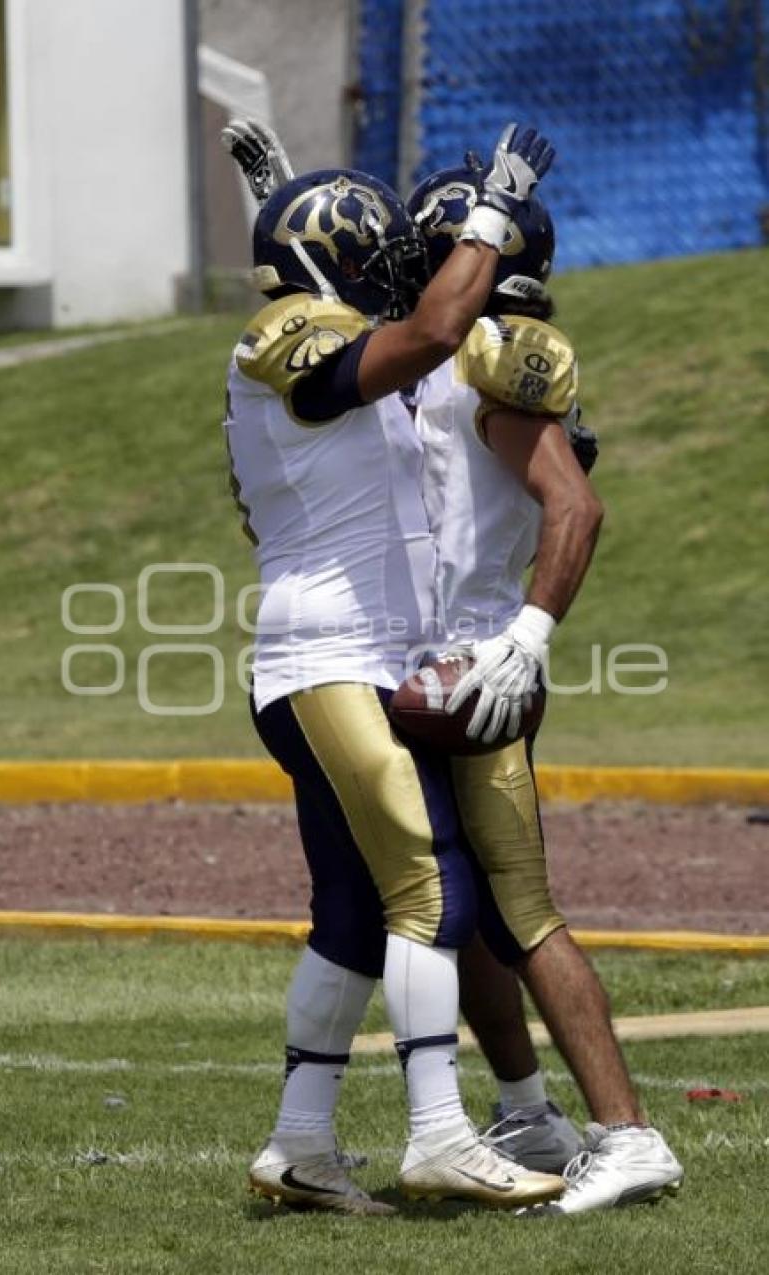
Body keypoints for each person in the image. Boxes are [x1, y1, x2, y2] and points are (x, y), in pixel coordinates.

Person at [224, 125, 567, 1215]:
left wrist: (286, 201)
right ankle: (437, 1133)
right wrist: (489, 213)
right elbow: (426, 328)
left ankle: (297, 1149)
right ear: (337, 270)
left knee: (354, 914)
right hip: (326, 656)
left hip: (346, 654)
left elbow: (395, 343)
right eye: (370, 256)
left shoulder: (319, 331)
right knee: (432, 890)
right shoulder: (288, 335)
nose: (392, 272)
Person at [405, 168, 685, 1213]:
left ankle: (629, 1131)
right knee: (467, 913)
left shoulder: (493, 360)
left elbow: (575, 508)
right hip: (440, 659)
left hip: (480, 669)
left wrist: (526, 633)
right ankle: (526, 1107)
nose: (415, 264)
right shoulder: (442, 357)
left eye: (436, 247)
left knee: (521, 912)